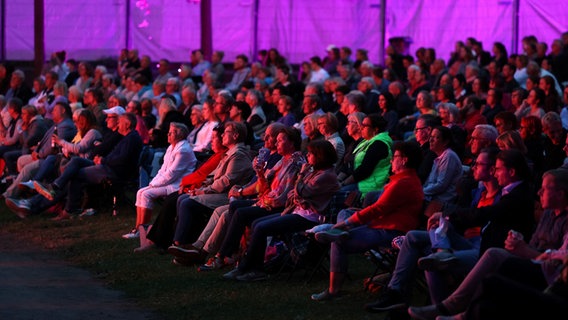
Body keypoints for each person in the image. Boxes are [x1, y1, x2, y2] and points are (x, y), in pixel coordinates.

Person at [407, 167, 568, 320]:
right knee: (428, 240)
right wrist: (519, 244)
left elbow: (559, 262)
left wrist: (525, 250)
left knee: (491, 256)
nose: (539, 192)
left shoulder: (516, 197)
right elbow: (533, 244)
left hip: (536, 269)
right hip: (479, 243)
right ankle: (439, 256)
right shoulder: (547, 213)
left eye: (545, 189)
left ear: (560, 194)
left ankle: (449, 306)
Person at [310, 141, 424, 301]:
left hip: (392, 232)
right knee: (345, 212)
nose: (391, 160)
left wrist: (347, 222)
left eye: (395, 157)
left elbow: (378, 209)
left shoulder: (404, 183)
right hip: (382, 224)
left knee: (338, 242)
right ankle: (338, 231)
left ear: (404, 160)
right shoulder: (402, 180)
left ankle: (333, 290)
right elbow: (382, 209)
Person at [222, 140, 340, 281]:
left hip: (309, 218)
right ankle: (247, 267)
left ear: (320, 156)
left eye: (311, 153)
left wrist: (301, 176)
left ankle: (252, 270)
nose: (307, 155)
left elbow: (301, 191)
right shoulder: (316, 171)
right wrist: (298, 192)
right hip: (298, 212)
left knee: (260, 227)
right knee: (256, 223)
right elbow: (294, 193)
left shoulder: (326, 176)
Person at [31, 113, 143, 220]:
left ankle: (69, 209)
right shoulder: (126, 137)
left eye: (120, 122)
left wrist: (103, 160)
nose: (118, 124)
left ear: (127, 125)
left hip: (113, 171)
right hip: (107, 165)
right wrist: (101, 159)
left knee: (76, 175)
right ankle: (55, 186)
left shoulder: (131, 138)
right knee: (76, 161)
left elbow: (122, 159)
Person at [169, 121, 253, 247]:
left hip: (228, 195)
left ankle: (181, 242)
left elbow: (226, 181)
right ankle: (180, 240)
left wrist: (204, 191)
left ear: (235, 136)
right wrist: (204, 186)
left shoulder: (238, 154)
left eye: (225, 133)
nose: (222, 135)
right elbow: (216, 178)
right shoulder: (230, 152)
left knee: (187, 202)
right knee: (183, 198)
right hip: (220, 192)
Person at [122, 122, 197, 238]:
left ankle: (143, 228)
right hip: (168, 182)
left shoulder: (183, 150)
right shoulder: (172, 147)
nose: (168, 135)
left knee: (146, 194)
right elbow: (163, 170)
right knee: (140, 192)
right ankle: (138, 228)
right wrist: (153, 182)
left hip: (177, 185)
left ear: (180, 135)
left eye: (171, 133)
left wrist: (154, 184)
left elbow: (172, 174)